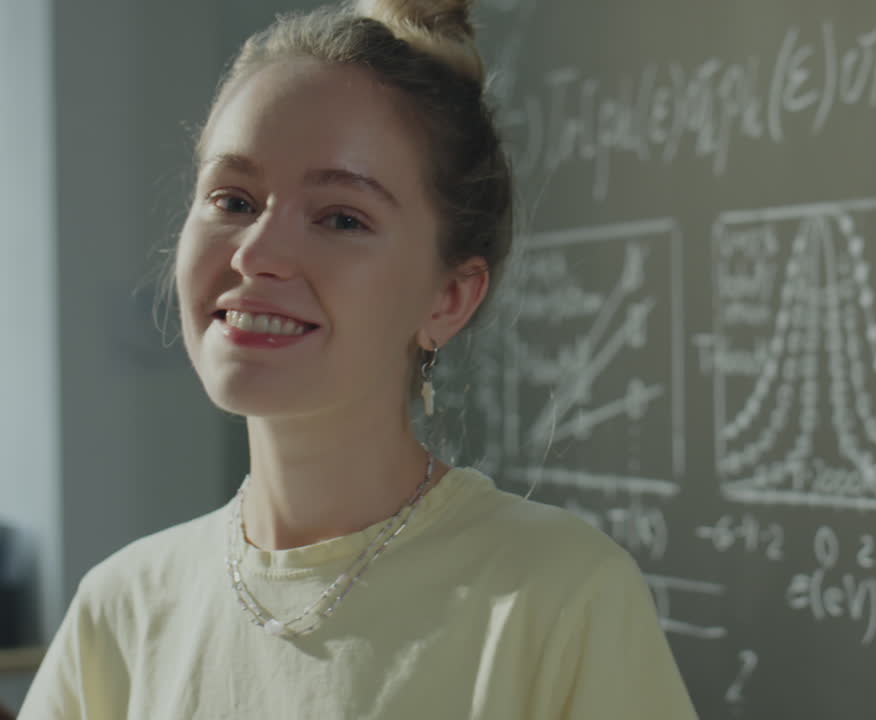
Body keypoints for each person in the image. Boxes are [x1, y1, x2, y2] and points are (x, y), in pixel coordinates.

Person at [19, 1, 699, 717]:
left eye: (341, 217)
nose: (256, 252)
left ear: (448, 298)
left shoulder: (558, 596)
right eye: (233, 199)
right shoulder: (122, 610)